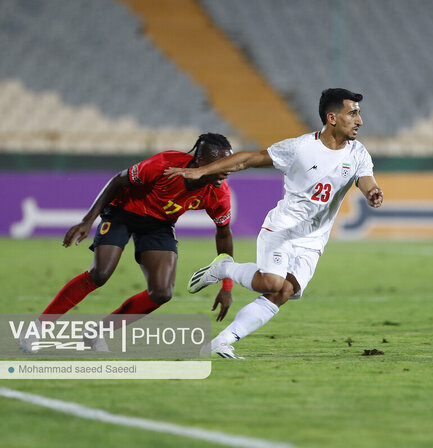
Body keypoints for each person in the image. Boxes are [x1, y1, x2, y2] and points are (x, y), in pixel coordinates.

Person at [165, 88, 384, 359]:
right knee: (271, 282)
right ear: (332, 118)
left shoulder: (358, 153)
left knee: (285, 291)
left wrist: (372, 191)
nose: (359, 120)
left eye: (359, 114)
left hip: (314, 239)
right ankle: (225, 267)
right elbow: (249, 158)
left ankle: (222, 341)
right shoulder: (300, 148)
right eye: (353, 113)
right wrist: (202, 170)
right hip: (282, 229)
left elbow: (365, 179)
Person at [21, 134, 236, 352]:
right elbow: (119, 179)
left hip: (159, 225)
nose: (227, 169)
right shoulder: (166, 164)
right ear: (199, 161)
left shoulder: (219, 193)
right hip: (123, 211)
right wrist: (88, 221)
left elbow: (224, 235)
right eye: (219, 163)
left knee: (162, 293)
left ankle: (95, 334)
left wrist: (227, 286)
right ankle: (37, 329)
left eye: (229, 163)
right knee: (100, 274)